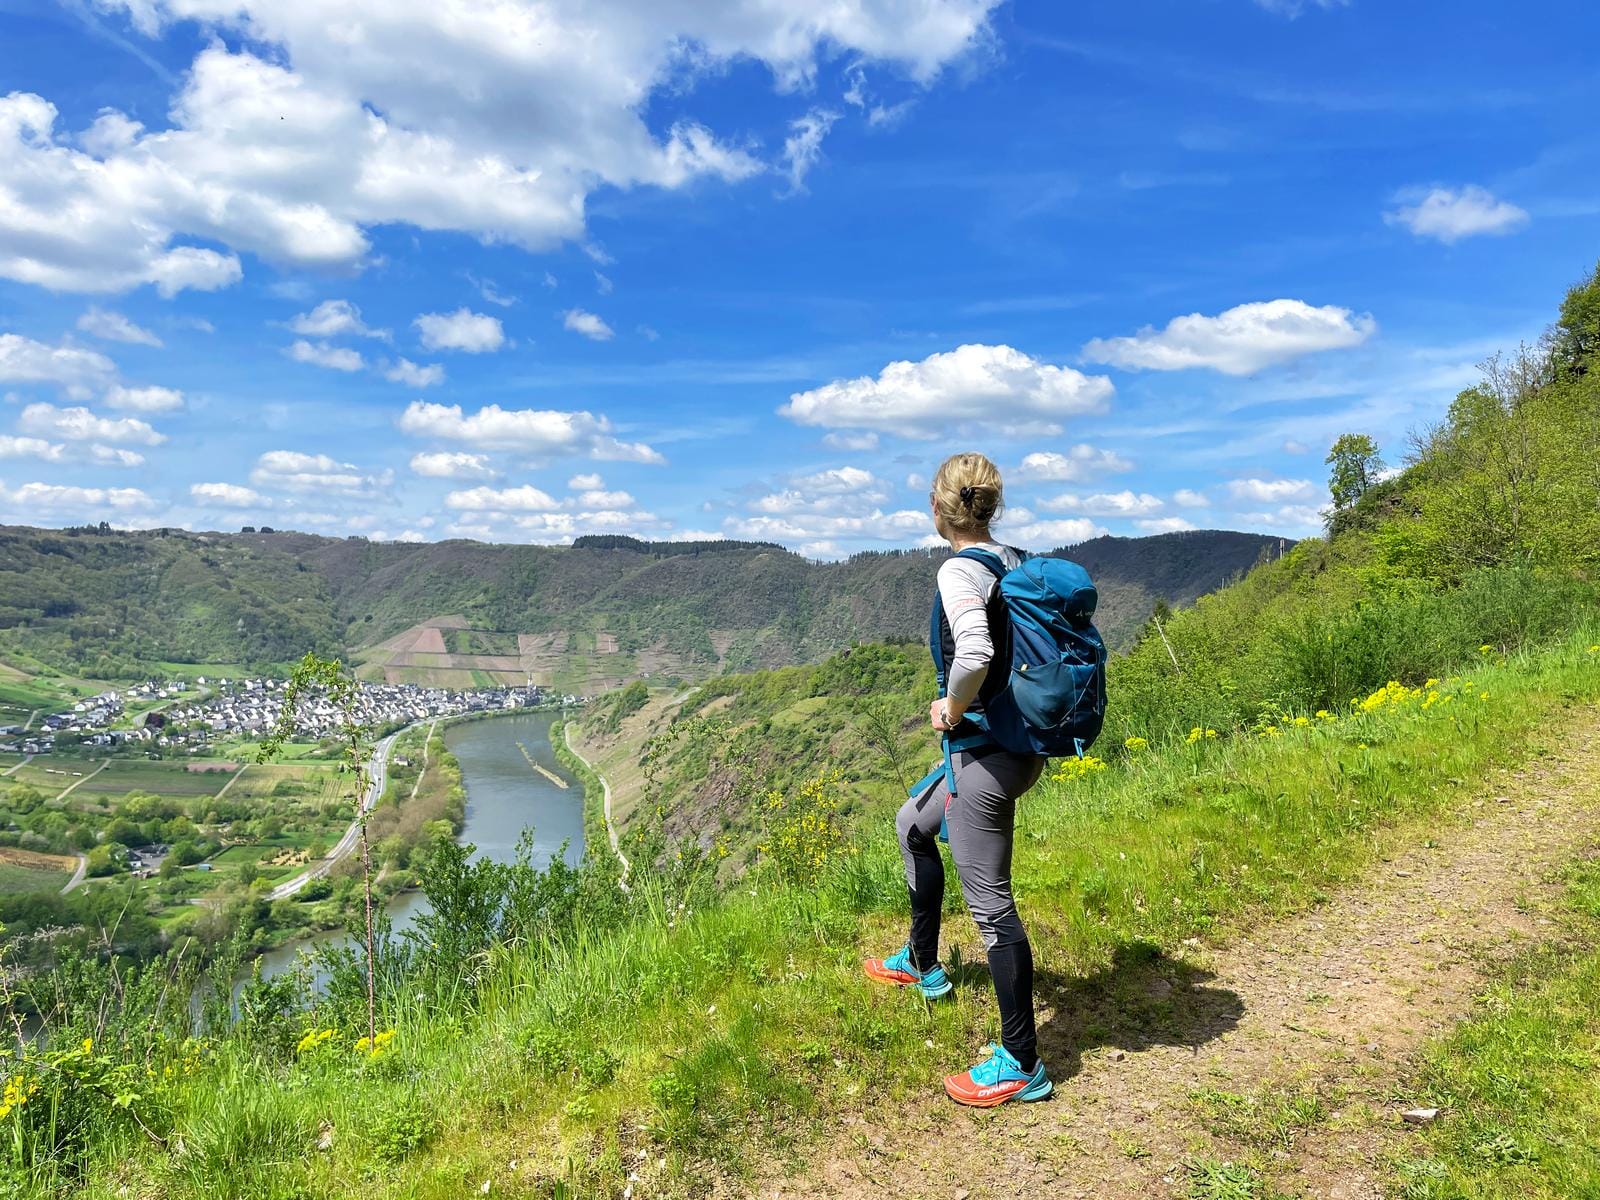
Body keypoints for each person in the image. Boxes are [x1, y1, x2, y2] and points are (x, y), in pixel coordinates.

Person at [863, 451, 1052, 1107]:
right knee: (912, 824)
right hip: (1015, 746)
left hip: (986, 758)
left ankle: (1022, 1061)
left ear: (938, 509)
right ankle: (922, 962)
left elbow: (975, 650)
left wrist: (953, 704)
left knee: (992, 909)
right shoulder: (1015, 560)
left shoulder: (959, 570)